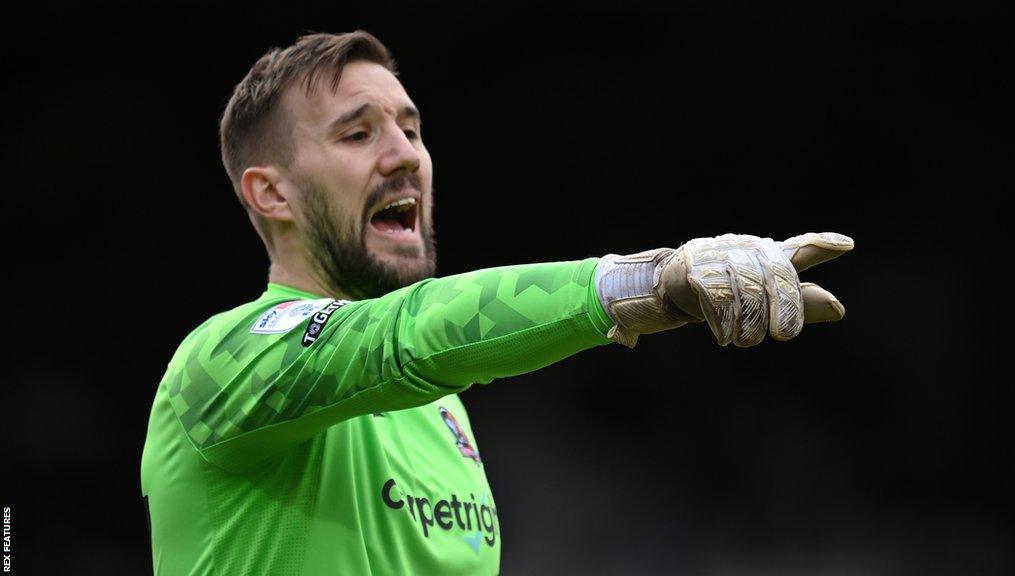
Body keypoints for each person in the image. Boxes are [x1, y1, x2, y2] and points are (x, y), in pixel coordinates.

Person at [140, 30, 853, 576]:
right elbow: (405, 336)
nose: (404, 155)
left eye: (412, 131)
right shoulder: (220, 363)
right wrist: (648, 284)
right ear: (272, 192)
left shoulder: (440, 409)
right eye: (358, 134)